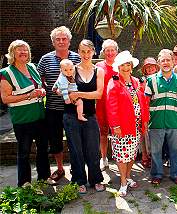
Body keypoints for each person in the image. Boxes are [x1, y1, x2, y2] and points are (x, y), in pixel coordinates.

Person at [0, 40, 50, 187]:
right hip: (23, 119)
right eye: (19, 50)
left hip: (39, 116)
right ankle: (24, 182)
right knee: (24, 152)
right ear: (12, 53)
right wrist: (30, 95)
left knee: (42, 149)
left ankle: (44, 176)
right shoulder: (6, 73)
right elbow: (5, 98)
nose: (23, 52)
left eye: (25, 50)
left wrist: (42, 91)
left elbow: (39, 87)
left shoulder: (32, 67)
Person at [38, 26, 81, 182]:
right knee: (55, 140)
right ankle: (60, 168)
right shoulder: (45, 59)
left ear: (69, 41)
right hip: (53, 108)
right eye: (58, 39)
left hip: (73, 107)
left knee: (75, 139)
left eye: (64, 39)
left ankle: (77, 168)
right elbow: (39, 80)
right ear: (53, 42)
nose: (61, 41)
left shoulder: (77, 58)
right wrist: (44, 89)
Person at [63, 39, 105, 194]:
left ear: (93, 51)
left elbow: (99, 94)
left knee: (93, 149)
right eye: (83, 51)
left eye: (89, 51)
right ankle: (79, 180)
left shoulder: (98, 71)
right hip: (70, 115)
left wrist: (78, 94)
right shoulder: (71, 69)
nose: (86, 54)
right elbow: (63, 88)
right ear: (78, 52)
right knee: (76, 150)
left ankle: (96, 179)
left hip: (90, 115)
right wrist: (70, 94)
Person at [106, 51, 149, 197]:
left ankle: (128, 176)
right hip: (122, 126)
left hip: (135, 126)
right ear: (118, 67)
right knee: (122, 155)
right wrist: (115, 125)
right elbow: (111, 106)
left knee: (131, 155)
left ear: (131, 66)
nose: (126, 67)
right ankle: (123, 182)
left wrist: (144, 120)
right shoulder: (115, 82)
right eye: (123, 64)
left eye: (128, 64)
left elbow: (142, 101)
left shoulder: (136, 81)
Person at [145, 49, 177, 185]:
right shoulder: (151, 80)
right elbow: (146, 102)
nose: (166, 63)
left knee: (175, 150)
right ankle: (156, 174)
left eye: (168, 60)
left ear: (173, 61)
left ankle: (176, 174)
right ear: (159, 63)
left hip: (173, 121)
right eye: (163, 60)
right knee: (156, 151)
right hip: (156, 121)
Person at [95, 39, 119, 171]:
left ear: (116, 51)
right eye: (107, 50)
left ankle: (119, 157)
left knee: (117, 132)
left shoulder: (121, 65)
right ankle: (103, 158)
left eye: (112, 50)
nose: (110, 53)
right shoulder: (98, 66)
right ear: (103, 52)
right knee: (103, 133)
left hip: (117, 106)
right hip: (102, 104)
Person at [140, 57, 160, 168]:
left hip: (156, 110)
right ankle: (144, 155)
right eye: (148, 67)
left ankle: (154, 156)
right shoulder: (141, 80)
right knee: (144, 133)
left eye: (152, 66)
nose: (150, 68)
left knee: (155, 134)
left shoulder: (159, 78)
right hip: (144, 109)